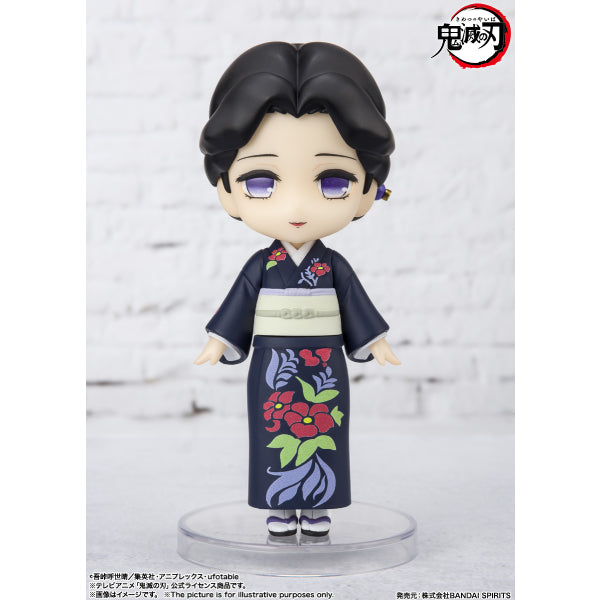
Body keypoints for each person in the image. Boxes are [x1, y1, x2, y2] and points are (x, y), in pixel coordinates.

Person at [194, 42, 400, 537]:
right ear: (227, 190)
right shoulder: (263, 266)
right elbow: (239, 304)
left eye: (333, 182)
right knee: (273, 431)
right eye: (261, 183)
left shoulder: (332, 266)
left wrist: (375, 341)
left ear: (367, 191)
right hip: (273, 362)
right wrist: (219, 340)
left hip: (324, 363)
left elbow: (355, 304)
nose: (297, 207)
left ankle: (318, 505)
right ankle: (281, 507)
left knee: (325, 429)